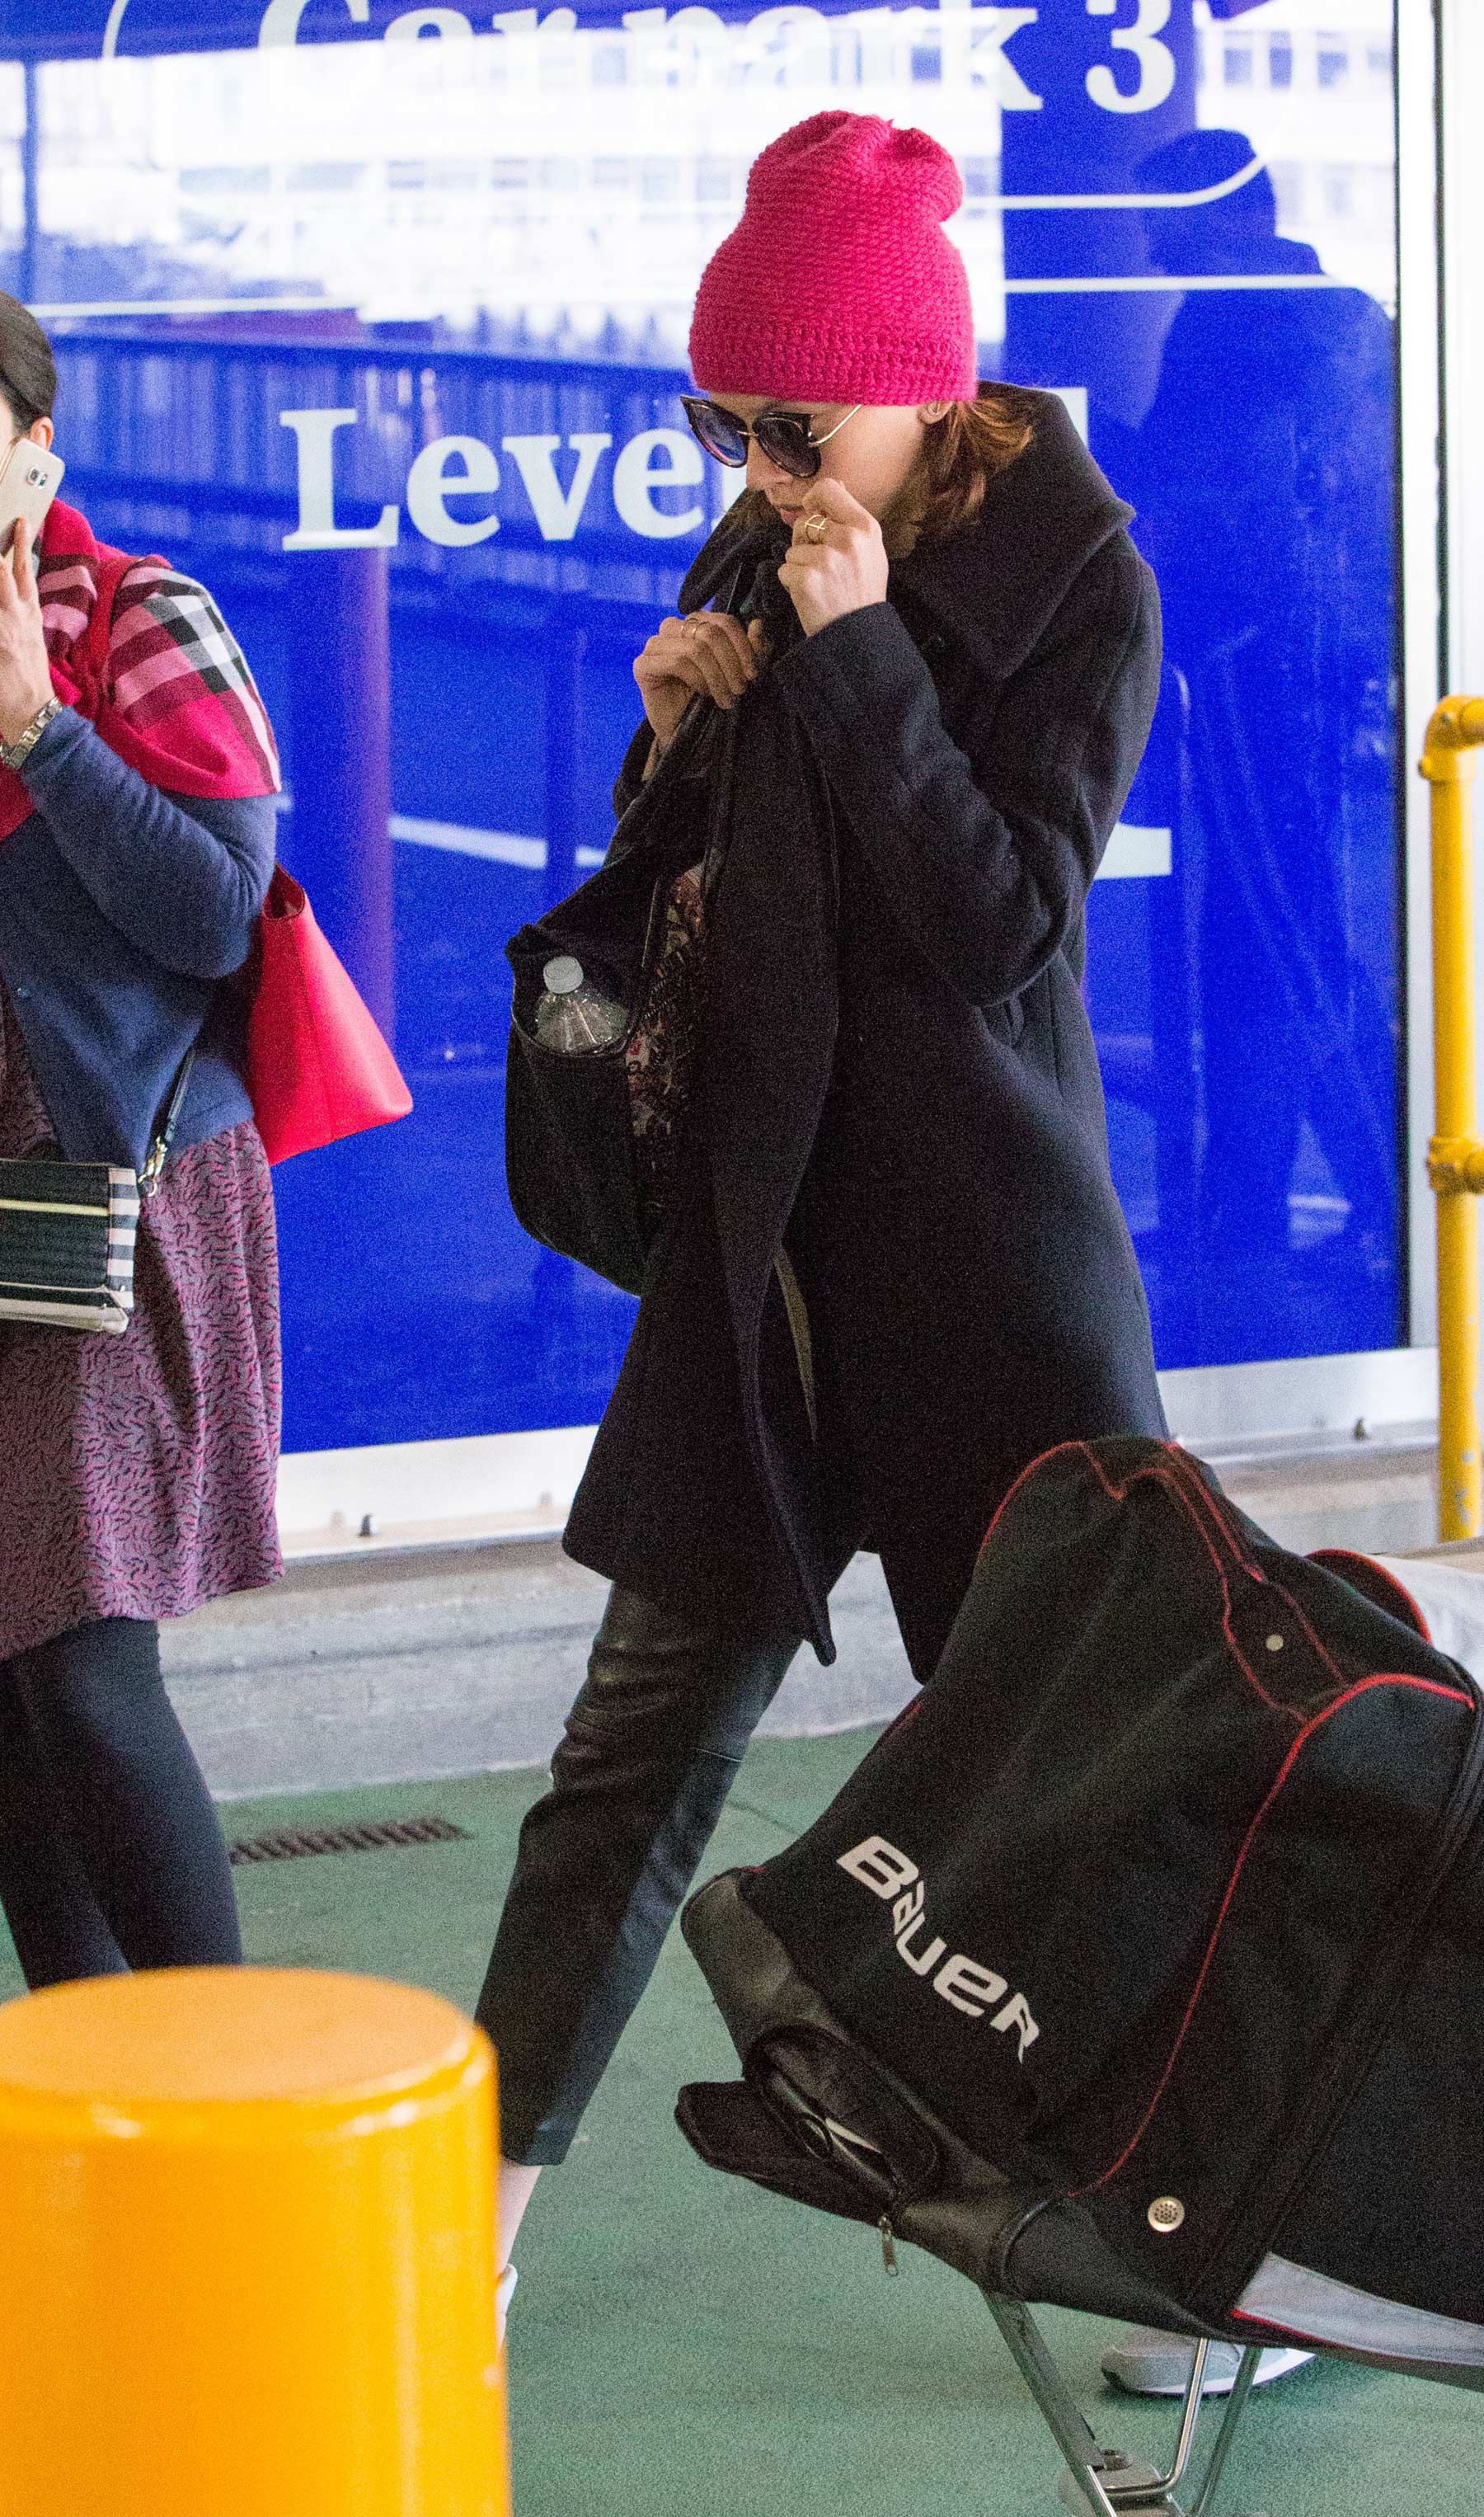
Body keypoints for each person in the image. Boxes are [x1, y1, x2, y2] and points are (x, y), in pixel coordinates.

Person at [480, 111, 1167, 2326]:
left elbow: (998, 926)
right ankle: (451, 2237)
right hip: (767, 1282)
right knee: (619, 1781)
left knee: (1072, 1804)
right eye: (722, 421)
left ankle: (1189, 2229)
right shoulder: (755, 543)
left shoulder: (1081, 583)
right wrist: (676, 737)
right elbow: (707, 915)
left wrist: (857, 660)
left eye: (790, 422)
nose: (760, 466)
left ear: (925, 388)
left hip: (981, 1289)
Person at [0, 294, 281, 1989]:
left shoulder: (140, 619)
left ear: (36, 452)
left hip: (110, 1184)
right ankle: (97, 2088)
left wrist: (40, 727)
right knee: (15, 1679)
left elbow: (216, 910)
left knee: (88, 1664)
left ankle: (225, 2105)